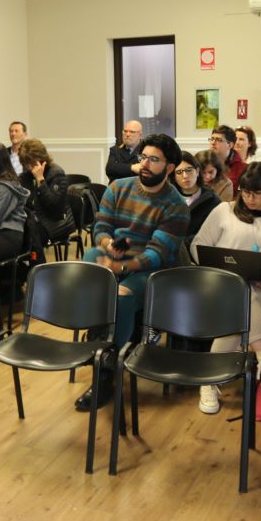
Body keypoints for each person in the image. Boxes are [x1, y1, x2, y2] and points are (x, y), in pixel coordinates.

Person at [78, 133, 190, 411]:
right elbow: (100, 228)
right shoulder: (118, 188)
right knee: (91, 263)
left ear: (170, 167)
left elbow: (157, 254)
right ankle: (100, 340)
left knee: (123, 294)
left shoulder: (176, 205)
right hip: (116, 255)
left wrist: (123, 266)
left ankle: (106, 370)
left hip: (154, 271)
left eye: (154, 160)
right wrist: (108, 245)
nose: (145, 164)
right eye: (143, 157)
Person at [191, 163, 261, 414]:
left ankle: (209, 380)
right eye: (246, 192)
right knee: (239, 291)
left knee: (242, 296)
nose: (251, 199)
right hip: (221, 286)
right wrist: (215, 267)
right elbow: (199, 246)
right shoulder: (223, 211)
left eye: (258, 193)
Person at [17, 138, 73, 245]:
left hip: (55, 221)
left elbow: (54, 206)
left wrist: (40, 180)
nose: (28, 167)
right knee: (13, 232)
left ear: (40, 158)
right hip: (35, 218)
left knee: (28, 236)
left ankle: (35, 256)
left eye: (30, 163)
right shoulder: (26, 175)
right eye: (25, 163)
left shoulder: (56, 173)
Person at [171, 151, 220, 242]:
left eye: (189, 170)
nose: (185, 176)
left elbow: (211, 235)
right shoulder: (168, 198)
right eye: (179, 172)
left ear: (197, 171)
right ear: (174, 177)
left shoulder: (213, 201)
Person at [209, 125, 246, 192]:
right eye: (212, 139)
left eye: (218, 140)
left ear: (230, 145)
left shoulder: (242, 168)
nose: (213, 143)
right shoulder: (203, 162)